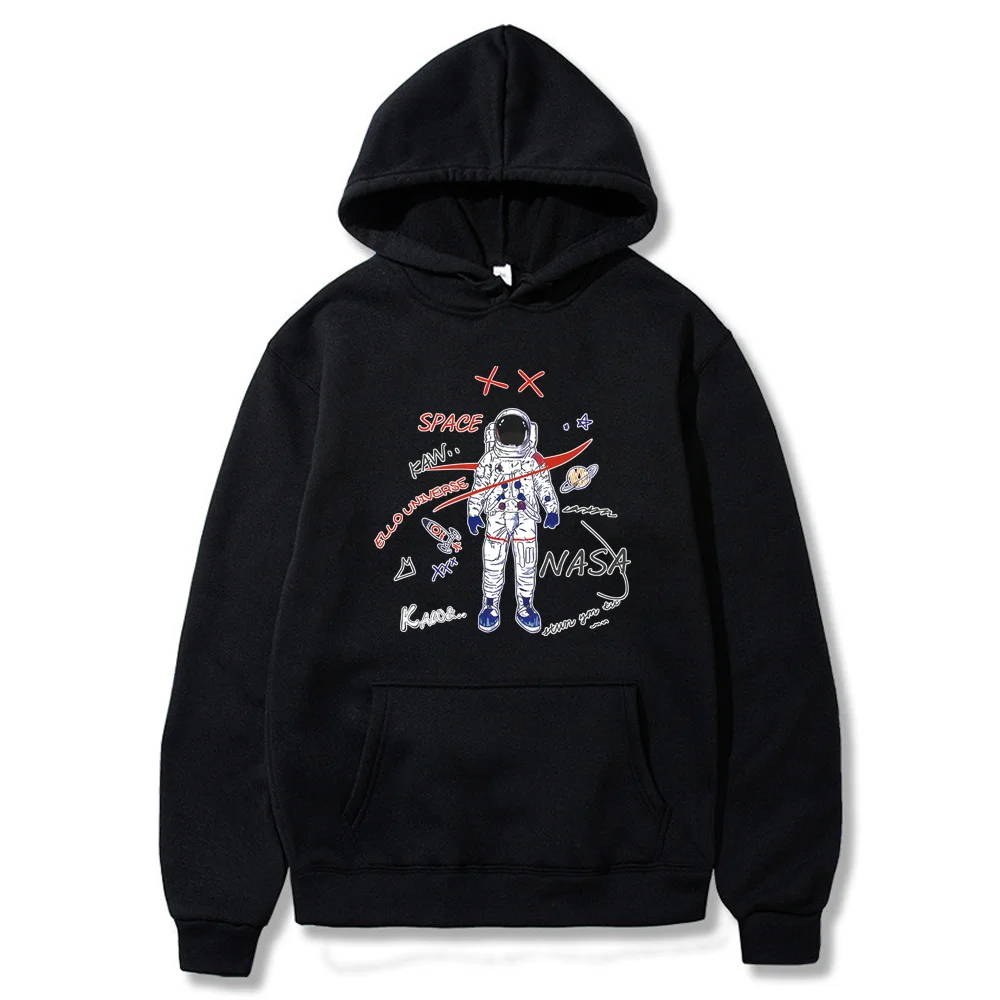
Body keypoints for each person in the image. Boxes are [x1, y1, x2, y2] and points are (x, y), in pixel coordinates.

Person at [467, 408, 560, 632]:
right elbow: (479, 487)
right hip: (497, 516)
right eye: (507, 433)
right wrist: (473, 512)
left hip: (525, 516)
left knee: (527, 563)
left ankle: (525, 607)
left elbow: (544, 486)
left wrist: (552, 509)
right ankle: (490, 606)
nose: (511, 439)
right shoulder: (489, 459)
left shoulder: (534, 459)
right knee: (493, 562)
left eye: (515, 433)